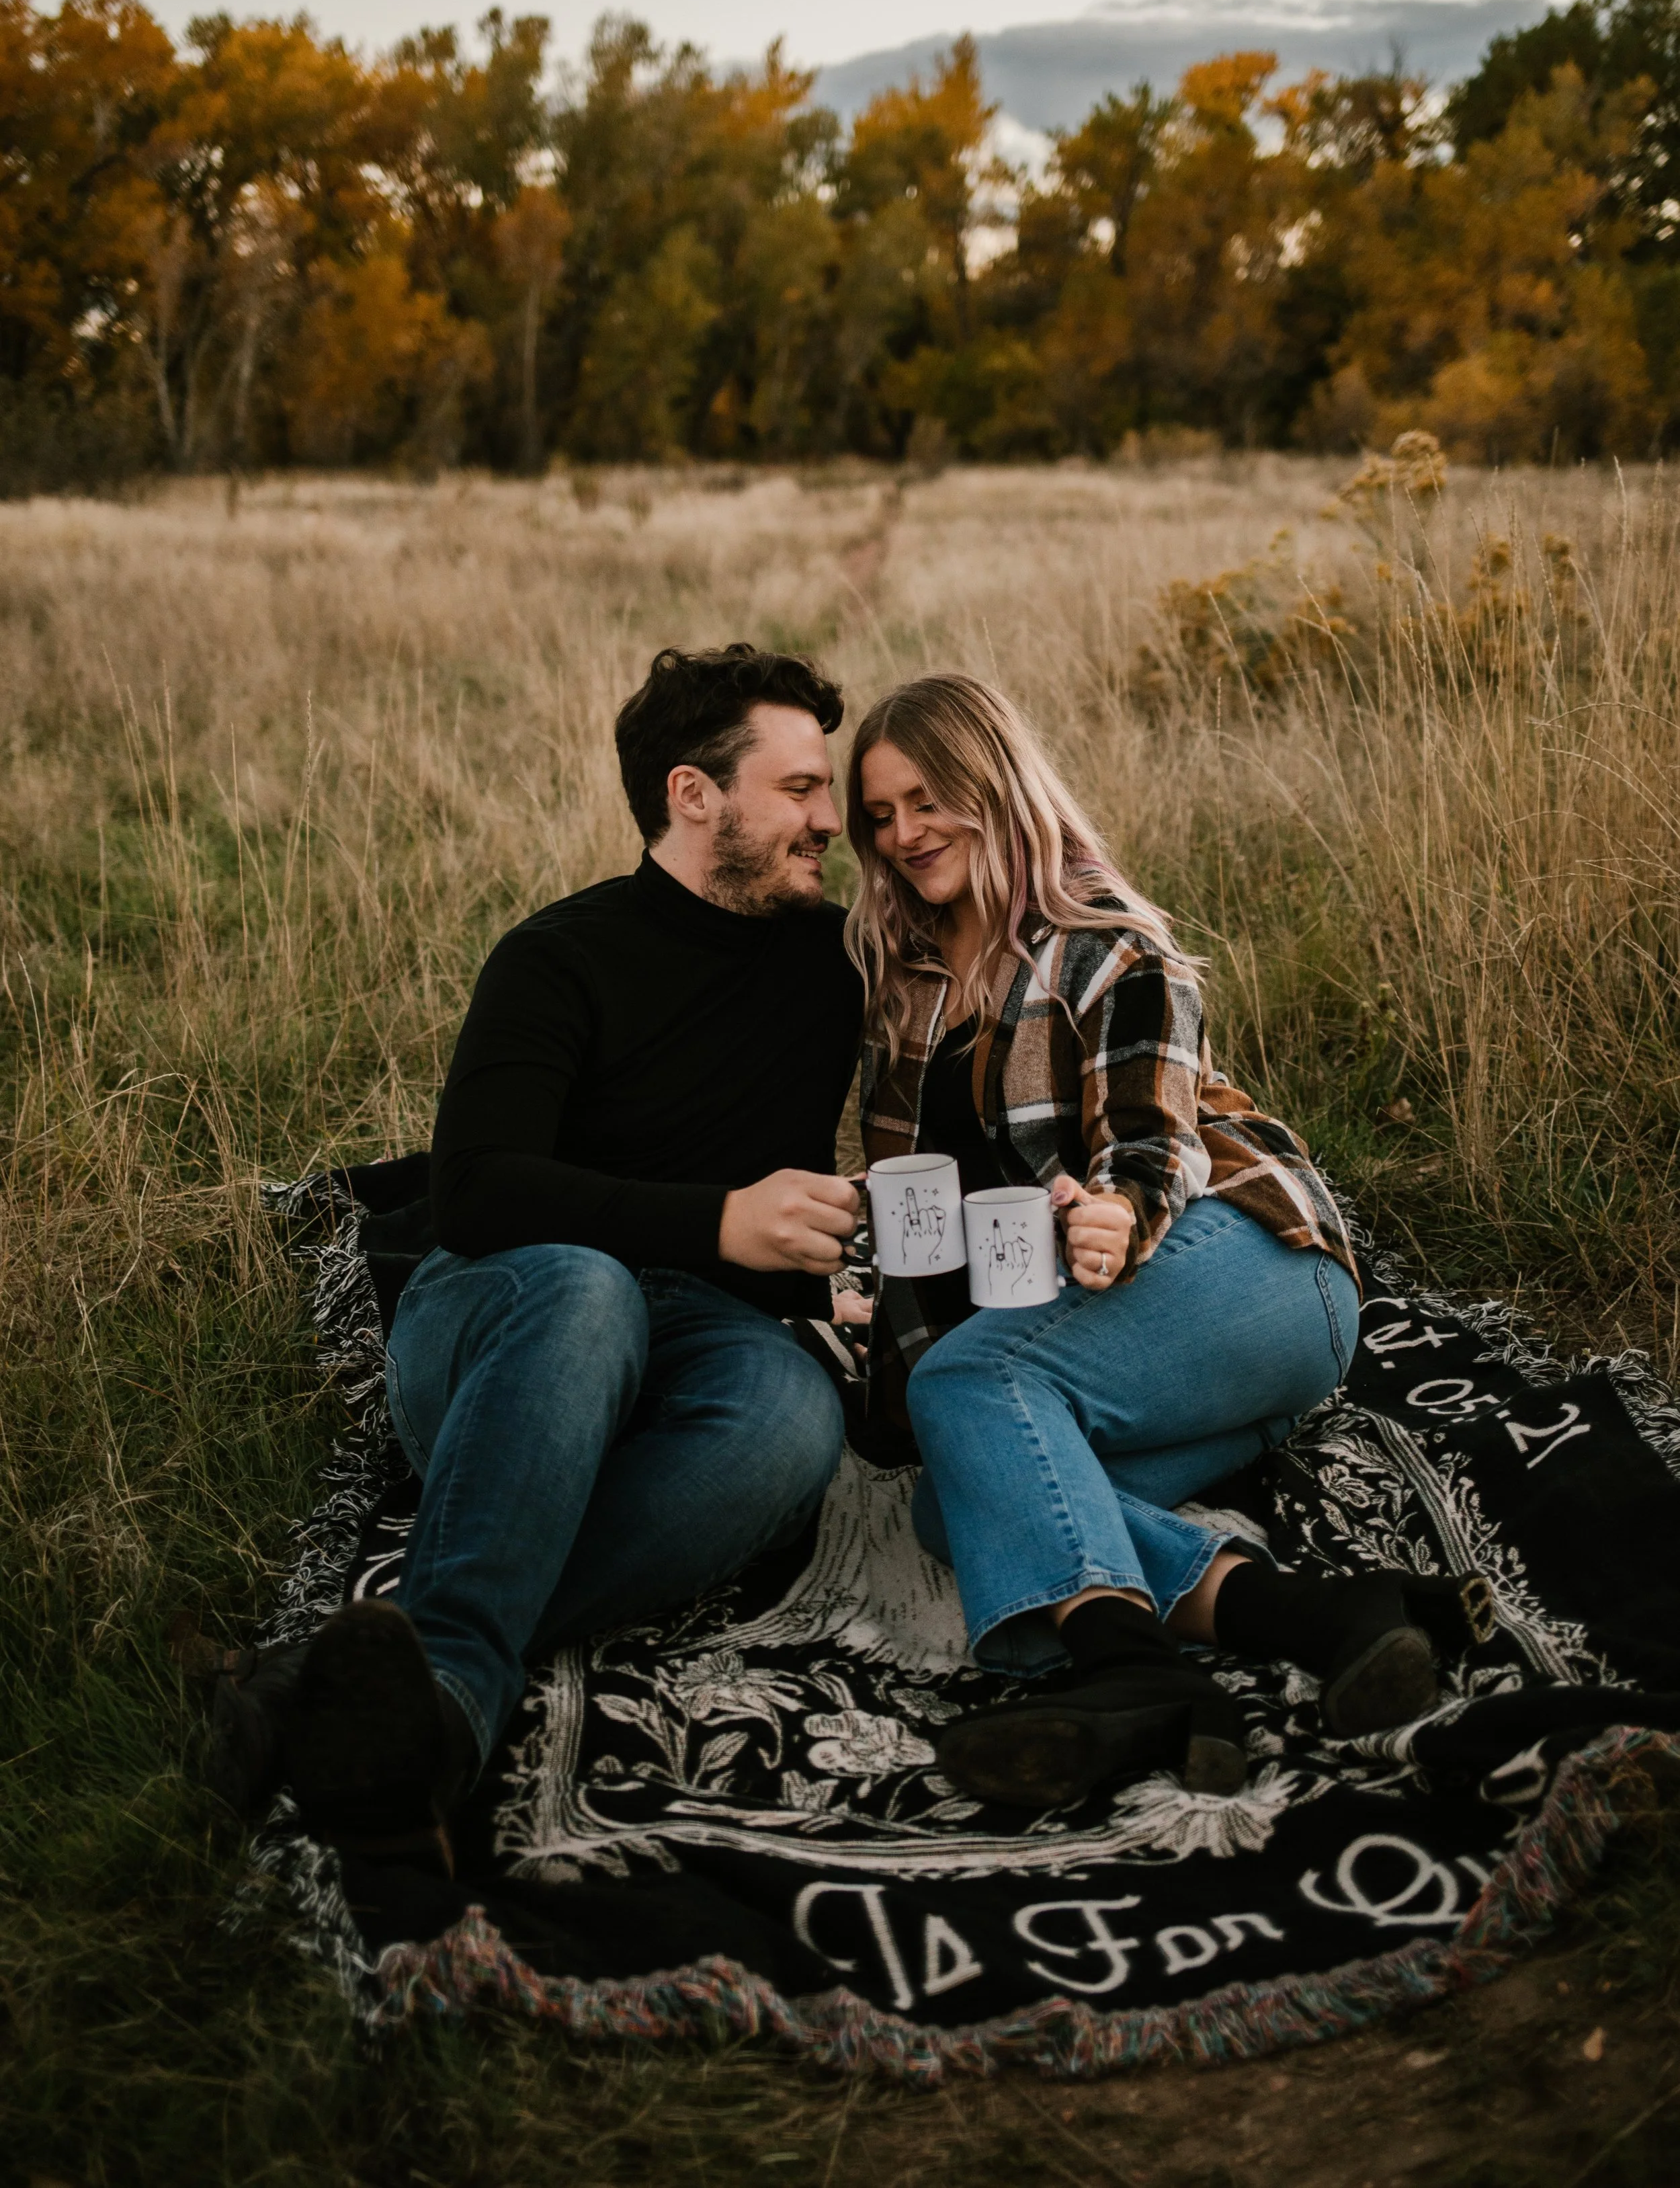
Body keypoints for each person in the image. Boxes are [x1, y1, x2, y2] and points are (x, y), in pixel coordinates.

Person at [281, 643, 864, 1869]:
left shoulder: (836, 959)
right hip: (510, 1318)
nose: (832, 817)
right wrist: (720, 1220)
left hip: (703, 1334)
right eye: (801, 788)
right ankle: (446, 1687)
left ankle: (393, 1680)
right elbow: (477, 1191)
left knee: (796, 1417)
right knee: (589, 1285)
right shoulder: (558, 956)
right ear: (694, 795)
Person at [848, 672, 1472, 1810]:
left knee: (972, 1385)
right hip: (1138, 1346)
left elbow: (1154, 1141)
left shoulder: (1106, 942)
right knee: (964, 1498)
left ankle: (1129, 1672)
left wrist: (1118, 1211)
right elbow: (926, 1209)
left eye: (928, 800)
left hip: (1255, 1262)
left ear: (994, 783)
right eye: (881, 814)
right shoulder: (908, 979)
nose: (905, 834)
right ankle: (1323, 1616)